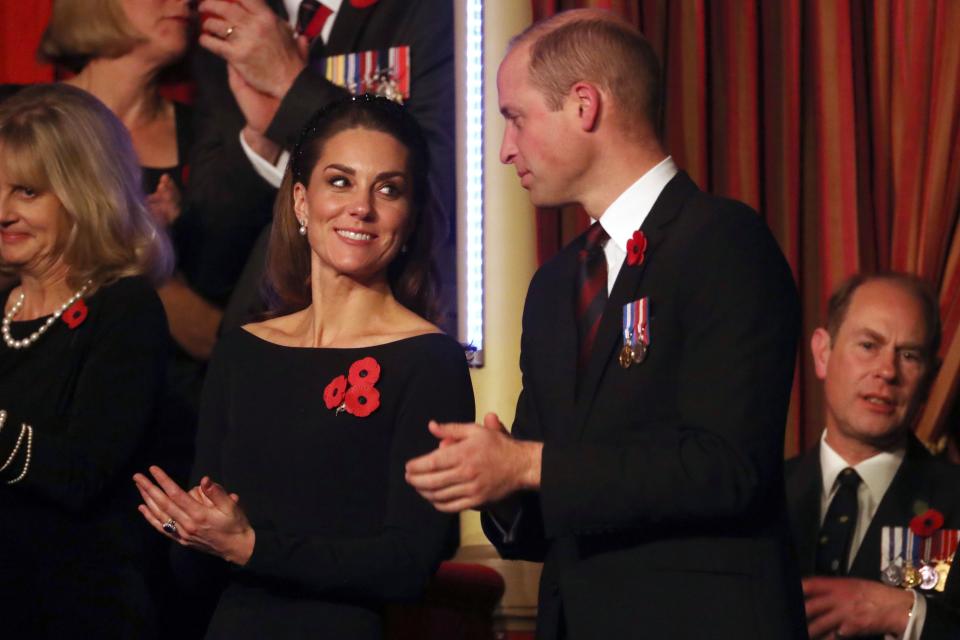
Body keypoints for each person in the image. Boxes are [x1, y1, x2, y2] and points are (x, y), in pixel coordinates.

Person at [405, 10, 807, 639]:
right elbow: (542, 516)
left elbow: (727, 468)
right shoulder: (554, 285)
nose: (506, 148)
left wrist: (528, 465)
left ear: (584, 105)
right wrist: (496, 485)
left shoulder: (723, 242)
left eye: (515, 117)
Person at [133, 94, 473, 639]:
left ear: (408, 220)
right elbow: (197, 567)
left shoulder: (428, 360)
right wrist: (187, 528)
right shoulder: (244, 349)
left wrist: (250, 546)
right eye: (340, 181)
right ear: (300, 200)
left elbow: (409, 563)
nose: (361, 206)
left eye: (388, 189)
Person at [0, 84, 172, 638]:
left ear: (84, 193)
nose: (2, 213)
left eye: (26, 192)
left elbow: (81, 472)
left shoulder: (125, 309)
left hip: (77, 605)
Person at [186, 0, 455, 333]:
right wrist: (263, 144)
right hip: (255, 329)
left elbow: (442, 191)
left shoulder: (426, 12)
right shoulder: (234, 20)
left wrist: (292, 89)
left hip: (390, 330)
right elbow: (205, 262)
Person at [784, 273, 960, 639]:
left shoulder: (955, 499)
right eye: (868, 345)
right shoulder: (759, 494)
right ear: (822, 353)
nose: (887, 371)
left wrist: (907, 614)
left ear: (930, 378)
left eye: (909, 355)